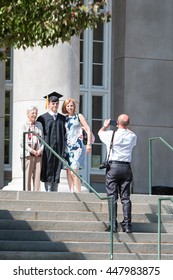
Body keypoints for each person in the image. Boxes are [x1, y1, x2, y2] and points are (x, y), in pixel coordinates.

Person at [98, 114, 137, 233]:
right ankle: (127, 225)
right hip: (126, 168)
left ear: (117, 123)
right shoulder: (132, 136)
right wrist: (123, 125)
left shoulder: (110, 134)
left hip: (113, 167)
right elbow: (129, 131)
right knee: (125, 197)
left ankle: (113, 224)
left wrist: (105, 126)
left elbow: (99, 133)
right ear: (128, 124)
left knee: (112, 197)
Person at [37, 91, 66, 192]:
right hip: (47, 150)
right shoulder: (42, 118)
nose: (55, 105)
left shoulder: (62, 118)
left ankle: (55, 192)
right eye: (53, 103)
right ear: (49, 104)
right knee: (48, 169)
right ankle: (48, 192)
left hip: (59, 149)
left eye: (57, 103)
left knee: (57, 169)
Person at [62, 98, 92, 192]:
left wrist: (88, 144)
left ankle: (79, 193)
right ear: (65, 107)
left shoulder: (78, 116)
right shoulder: (64, 118)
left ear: (74, 106)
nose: (70, 107)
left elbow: (87, 129)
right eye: (68, 106)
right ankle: (71, 192)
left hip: (77, 147)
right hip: (67, 147)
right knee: (68, 171)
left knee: (74, 171)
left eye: (71, 105)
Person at [19, 106, 44, 191]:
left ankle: (37, 196)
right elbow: (22, 142)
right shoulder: (23, 125)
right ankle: (27, 198)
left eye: (36, 113)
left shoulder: (39, 124)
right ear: (28, 114)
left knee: (37, 178)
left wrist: (40, 150)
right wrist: (32, 151)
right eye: (33, 113)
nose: (35, 114)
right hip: (28, 154)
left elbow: (42, 140)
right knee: (27, 177)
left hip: (38, 154)